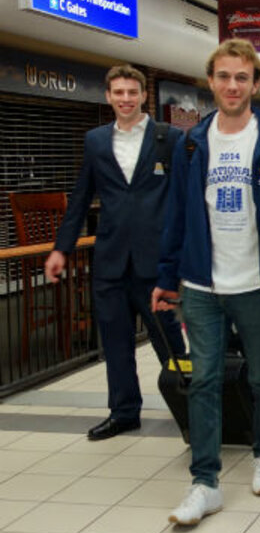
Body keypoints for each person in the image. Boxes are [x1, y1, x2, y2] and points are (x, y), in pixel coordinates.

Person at [151, 39, 260, 525]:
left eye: (241, 77)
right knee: (203, 379)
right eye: (224, 77)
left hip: (257, 284)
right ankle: (205, 482)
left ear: (256, 84)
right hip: (201, 286)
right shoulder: (190, 144)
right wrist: (167, 278)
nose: (232, 85)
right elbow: (177, 217)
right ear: (210, 82)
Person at [45, 64, 187, 441]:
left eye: (132, 92)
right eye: (118, 93)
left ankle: (192, 406)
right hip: (109, 261)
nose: (125, 99)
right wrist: (62, 248)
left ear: (144, 96)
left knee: (169, 339)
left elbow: (184, 199)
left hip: (155, 262)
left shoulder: (167, 138)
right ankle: (124, 412)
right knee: (116, 342)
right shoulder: (94, 141)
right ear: (108, 96)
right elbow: (79, 200)